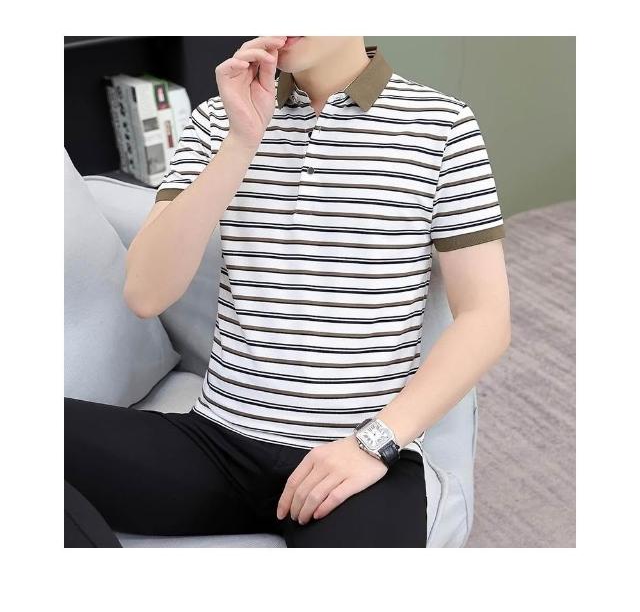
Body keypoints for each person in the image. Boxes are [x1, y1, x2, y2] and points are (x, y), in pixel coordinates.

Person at [65, 36, 511, 548]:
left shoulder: (442, 125)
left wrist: (373, 444)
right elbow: (146, 294)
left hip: (356, 463)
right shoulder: (216, 120)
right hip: (216, 445)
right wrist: (241, 141)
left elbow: (485, 318)